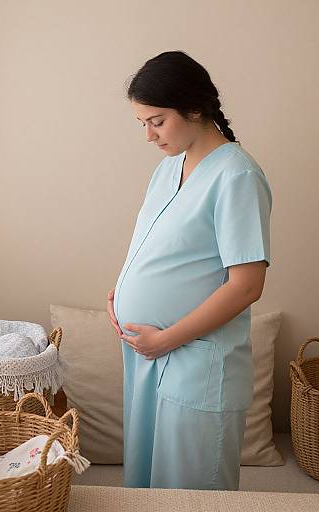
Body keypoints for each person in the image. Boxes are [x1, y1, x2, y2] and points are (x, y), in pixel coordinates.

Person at [106, 50, 272, 490]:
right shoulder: (167, 169)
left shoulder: (237, 176)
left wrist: (164, 339)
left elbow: (247, 286)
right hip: (148, 357)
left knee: (190, 492)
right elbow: (164, 248)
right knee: (146, 488)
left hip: (193, 363)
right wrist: (121, 291)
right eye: (141, 123)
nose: (148, 135)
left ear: (195, 108)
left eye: (156, 121)